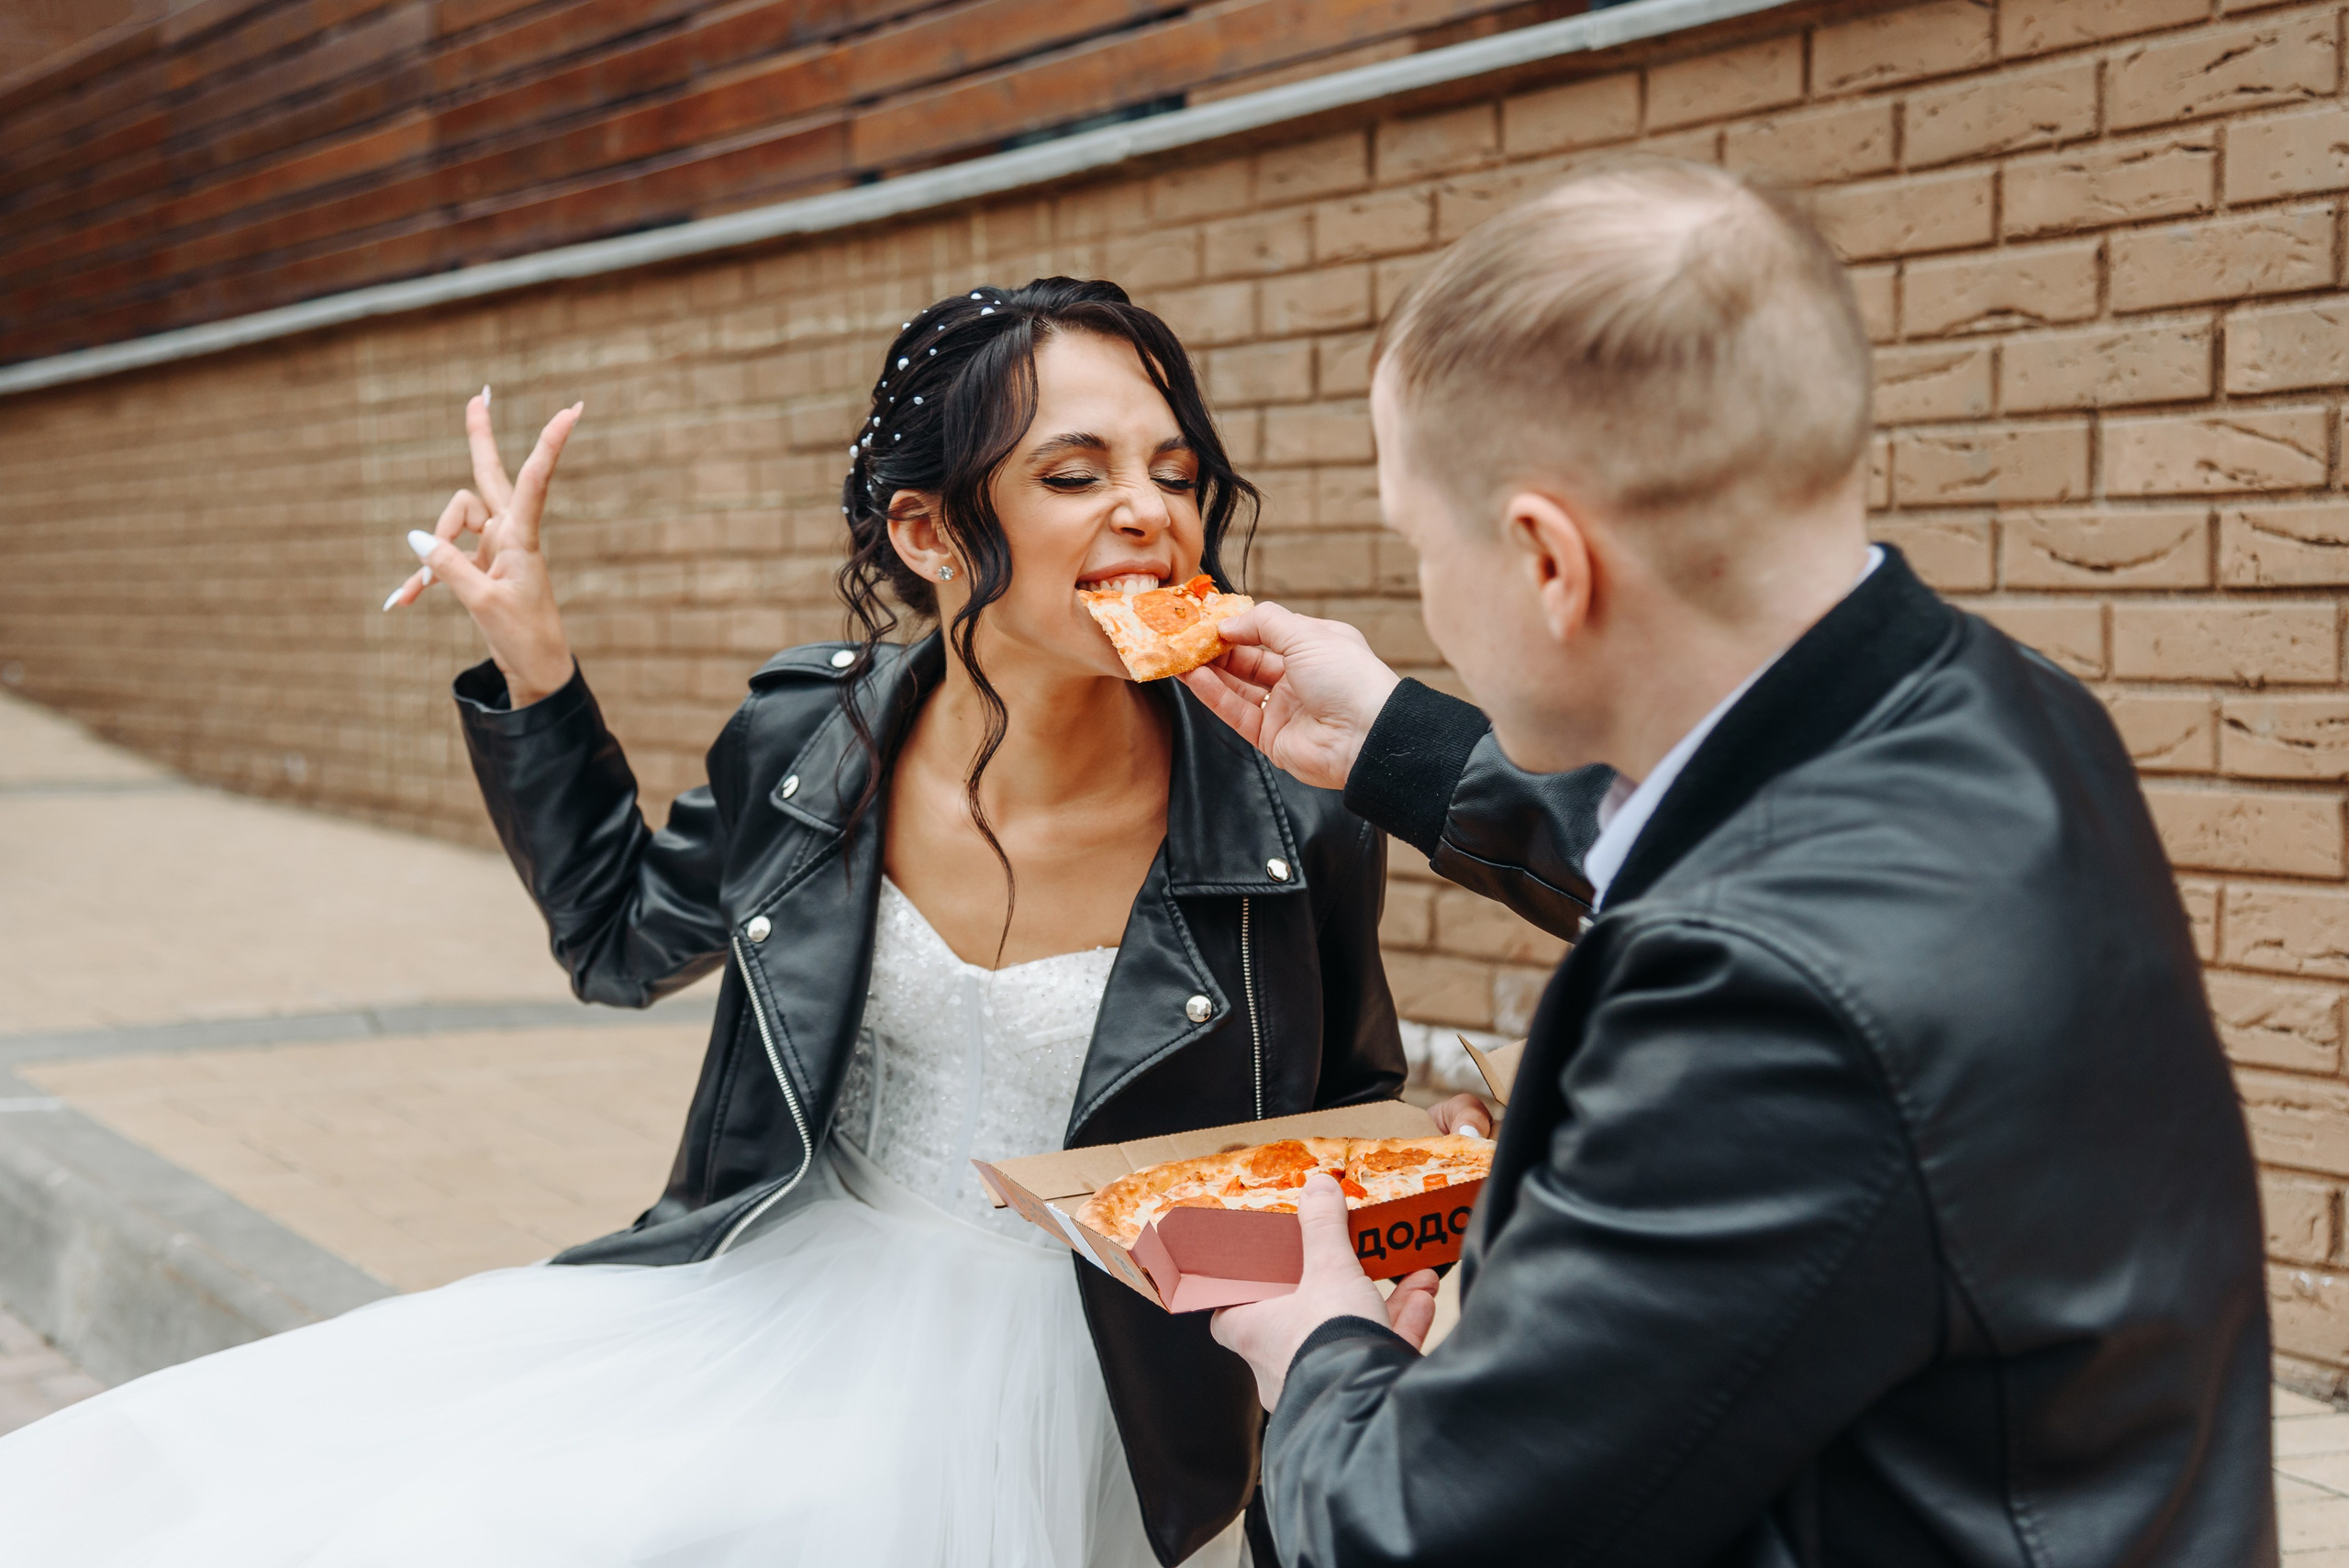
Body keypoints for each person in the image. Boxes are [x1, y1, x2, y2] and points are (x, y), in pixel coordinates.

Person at [0, 279, 1418, 1567]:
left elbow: (1346, 1117)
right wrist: (537, 667)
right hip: (781, 1289)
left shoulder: (1297, 812)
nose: (1151, 512)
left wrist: (1339, 1362)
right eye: (1075, 472)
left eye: (1176, 473)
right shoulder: (815, 741)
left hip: (1120, 1393)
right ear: (931, 533)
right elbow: (620, 940)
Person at [1182, 161, 2275, 1566]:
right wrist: (1396, 738)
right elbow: (1743, 827)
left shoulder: (1763, 1011)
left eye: (1418, 544)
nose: (1425, 594)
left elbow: (1431, 1528)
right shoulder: (2004, 700)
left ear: (1548, 563)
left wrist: (1320, 1344)